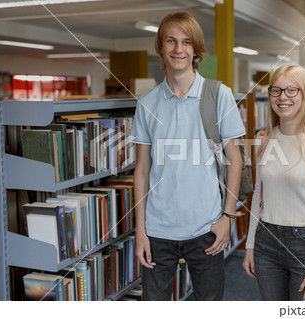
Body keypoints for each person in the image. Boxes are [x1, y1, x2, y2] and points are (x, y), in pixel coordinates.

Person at [130, 12, 245, 301]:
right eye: (171, 41)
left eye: (186, 42)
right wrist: (140, 231)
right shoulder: (147, 104)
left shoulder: (219, 95)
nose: (178, 49)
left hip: (206, 228)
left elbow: (236, 160)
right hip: (157, 232)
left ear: (195, 49)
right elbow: (142, 170)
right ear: (161, 46)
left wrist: (227, 217)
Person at [242, 65, 305, 301]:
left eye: (291, 90)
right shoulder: (264, 139)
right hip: (266, 241)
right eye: (275, 91)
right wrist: (250, 245)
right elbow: (258, 195)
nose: (282, 97)